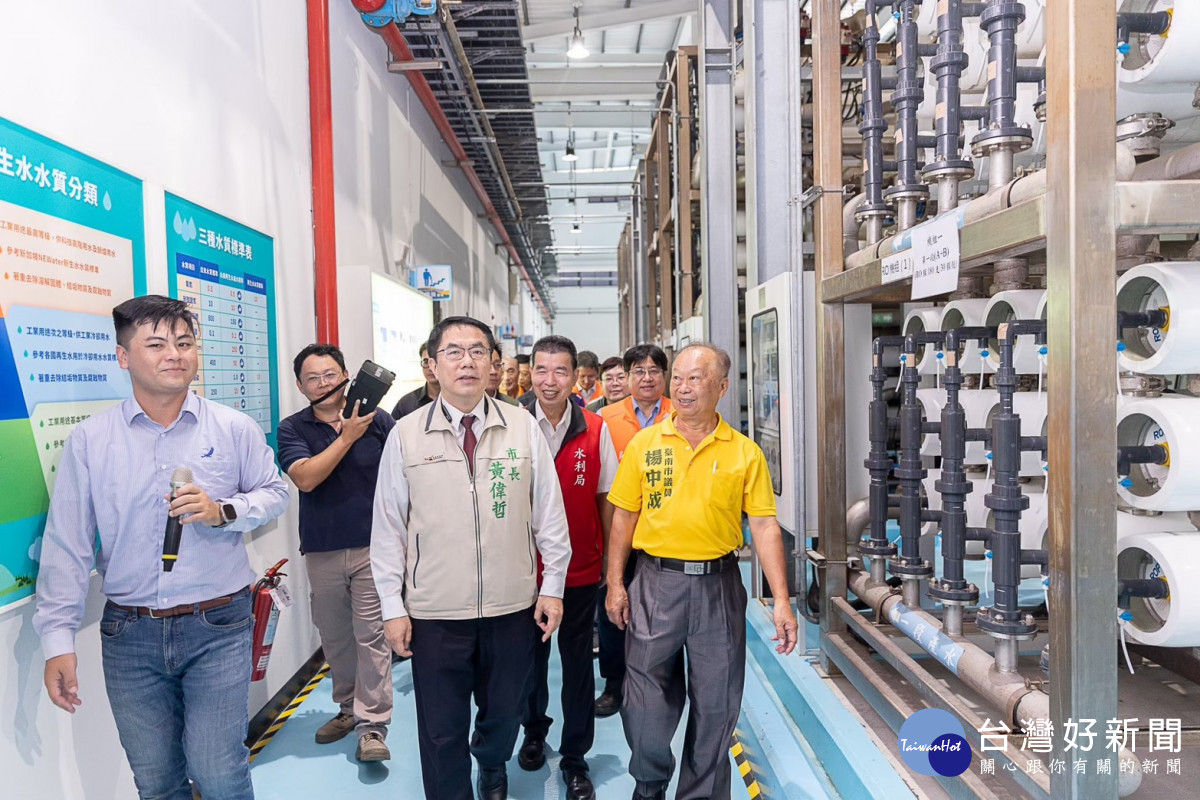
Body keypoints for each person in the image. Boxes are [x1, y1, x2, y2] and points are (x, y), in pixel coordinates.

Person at [34, 295, 289, 800]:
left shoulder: (232, 427)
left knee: (219, 771)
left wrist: (224, 510)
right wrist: (57, 640)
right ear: (123, 357)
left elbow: (274, 492)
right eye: (156, 344)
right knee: (156, 780)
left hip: (219, 624)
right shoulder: (91, 440)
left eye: (184, 343)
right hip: (130, 634)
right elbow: (68, 543)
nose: (175, 354)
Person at [371, 316, 572, 800]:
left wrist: (552, 588)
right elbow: (388, 528)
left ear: (492, 364)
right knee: (440, 732)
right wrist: (393, 607)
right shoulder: (405, 434)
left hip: (511, 606)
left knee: (505, 714)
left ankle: (491, 759)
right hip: (436, 612)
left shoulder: (521, 427)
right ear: (432, 365)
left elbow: (549, 515)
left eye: (478, 351)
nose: (467, 362)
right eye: (454, 352)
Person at [605, 343, 798, 800]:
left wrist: (782, 601)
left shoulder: (744, 453)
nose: (683, 387)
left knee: (717, 702)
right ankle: (649, 785)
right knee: (644, 700)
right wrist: (615, 583)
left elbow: (764, 526)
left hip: (719, 586)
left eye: (696, 378)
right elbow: (624, 517)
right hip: (655, 582)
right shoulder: (645, 445)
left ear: (723, 387)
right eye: (678, 378)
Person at [276, 344, 395, 762]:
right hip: (322, 549)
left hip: (373, 547)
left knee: (371, 635)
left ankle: (372, 726)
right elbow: (306, 479)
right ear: (300, 386)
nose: (323, 384)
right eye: (313, 378)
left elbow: (402, 475)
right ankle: (348, 708)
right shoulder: (292, 429)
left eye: (330, 375)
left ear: (346, 376)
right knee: (336, 638)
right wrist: (346, 438)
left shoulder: (379, 420)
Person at [515, 337, 618, 800]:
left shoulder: (595, 429)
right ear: (531, 373)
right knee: (528, 662)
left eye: (560, 371)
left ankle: (576, 757)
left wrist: (611, 566)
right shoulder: (512, 425)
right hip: (523, 571)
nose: (549, 380)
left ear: (575, 377)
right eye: (541, 370)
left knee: (577, 666)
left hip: (579, 570)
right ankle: (533, 732)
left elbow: (606, 499)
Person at [595, 344, 674, 718]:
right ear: (626, 377)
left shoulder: (680, 414)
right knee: (613, 607)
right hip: (618, 531)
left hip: (667, 535)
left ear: (665, 377)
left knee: (665, 615)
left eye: (654, 371)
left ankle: (661, 685)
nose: (647, 378)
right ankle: (614, 684)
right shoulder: (604, 419)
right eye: (638, 371)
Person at [392, 341, 439, 419]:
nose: (430, 368)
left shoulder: (457, 400)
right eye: (426, 362)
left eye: (434, 361)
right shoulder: (406, 404)